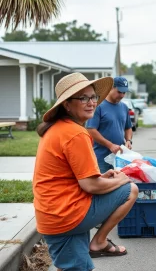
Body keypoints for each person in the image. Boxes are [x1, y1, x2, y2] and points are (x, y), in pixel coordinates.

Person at [33, 73, 138, 271]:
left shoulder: (59, 128)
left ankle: (98, 241)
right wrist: (122, 179)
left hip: (56, 212)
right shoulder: (75, 133)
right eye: (83, 98)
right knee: (130, 189)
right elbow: (90, 186)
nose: (91, 103)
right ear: (67, 104)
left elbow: (79, 178)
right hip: (66, 213)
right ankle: (99, 241)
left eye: (93, 97)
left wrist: (102, 178)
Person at [86, 76, 133, 173]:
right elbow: (91, 130)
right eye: (119, 92)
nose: (122, 95)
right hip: (101, 158)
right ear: (111, 88)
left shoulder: (124, 107)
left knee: (119, 185)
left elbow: (128, 128)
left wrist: (128, 140)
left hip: (119, 157)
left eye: (124, 93)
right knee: (102, 186)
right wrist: (110, 145)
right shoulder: (99, 106)